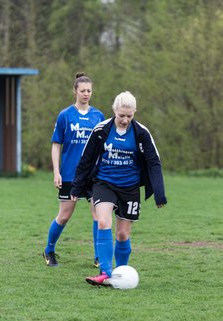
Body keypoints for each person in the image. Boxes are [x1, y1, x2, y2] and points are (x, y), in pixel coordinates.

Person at [70, 91, 167, 286]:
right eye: (121, 115)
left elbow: (153, 162)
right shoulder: (101, 130)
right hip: (104, 183)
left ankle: (121, 274)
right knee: (103, 222)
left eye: (129, 116)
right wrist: (76, 188)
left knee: (122, 234)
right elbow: (86, 160)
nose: (124, 120)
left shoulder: (141, 133)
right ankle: (105, 272)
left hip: (130, 187)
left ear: (134, 113)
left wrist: (159, 193)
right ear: (114, 110)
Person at [43, 72, 105, 267]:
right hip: (70, 173)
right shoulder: (65, 115)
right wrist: (56, 172)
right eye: (83, 90)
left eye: (89, 91)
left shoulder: (98, 116)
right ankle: (49, 250)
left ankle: (99, 257)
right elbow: (56, 145)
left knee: (98, 215)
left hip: (93, 174)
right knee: (64, 215)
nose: (86, 94)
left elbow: (103, 146)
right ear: (75, 91)